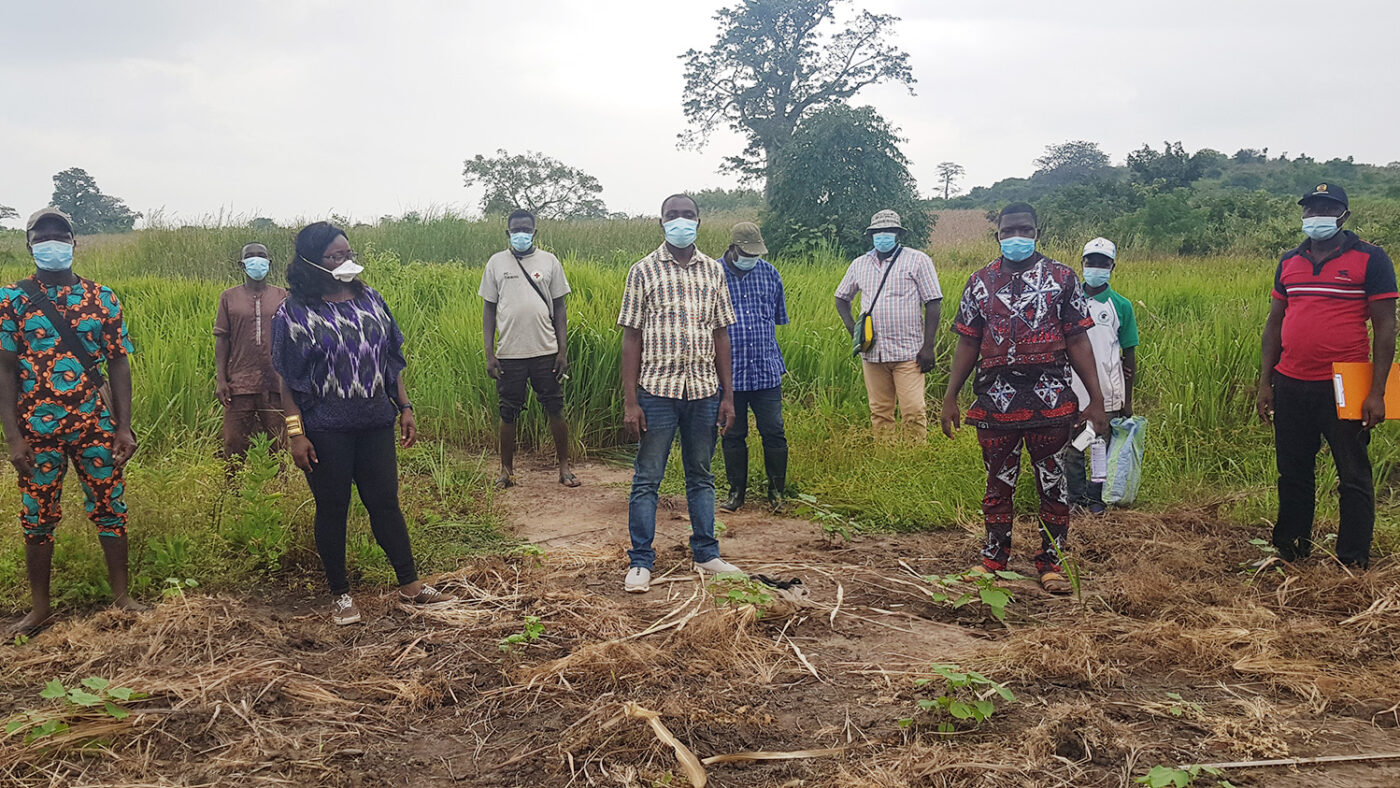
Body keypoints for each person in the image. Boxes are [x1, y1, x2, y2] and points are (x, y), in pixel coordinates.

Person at [272, 222, 455, 625]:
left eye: (347, 253)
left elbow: (390, 358)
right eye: (334, 257)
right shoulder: (295, 312)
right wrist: (295, 433)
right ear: (310, 262)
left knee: (385, 502)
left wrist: (404, 406)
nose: (344, 262)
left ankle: (409, 584)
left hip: (374, 420)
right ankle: (340, 595)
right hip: (325, 427)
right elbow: (288, 379)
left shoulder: (370, 298)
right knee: (333, 508)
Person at [940, 203, 1109, 594]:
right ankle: (993, 559)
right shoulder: (979, 282)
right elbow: (968, 341)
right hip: (995, 404)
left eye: (1025, 229)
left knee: (1054, 486)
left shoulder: (1062, 278)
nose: (1017, 236)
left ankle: (1051, 564)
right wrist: (951, 396)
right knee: (997, 486)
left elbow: (1079, 340)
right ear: (997, 234)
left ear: (1037, 232)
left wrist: (1095, 400)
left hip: (1051, 403)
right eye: (1009, 230)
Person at [1, 207, 145, 635]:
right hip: (36, 431)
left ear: (73, 243)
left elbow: (119, 365)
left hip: (95, 425)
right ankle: (40, 609)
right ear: (29, 245)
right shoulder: (12, 299)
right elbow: (5, 369)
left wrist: (123, 425)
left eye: (59, 236)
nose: (51, 243)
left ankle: (122, 598)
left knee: (110, 507)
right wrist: (12, 437)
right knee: (37, 515)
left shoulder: (102, 298)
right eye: (42, 237)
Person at [1257, 183, 1396, 570]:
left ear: (1343, 216)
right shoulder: (1289, 261)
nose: (1316, 215)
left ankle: (1352, 560)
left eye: (1326, 207)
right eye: (1310, 208)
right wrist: (1266, 382)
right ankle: (1291, 549)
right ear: (1303, 215)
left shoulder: (1372, 259)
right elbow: (1274, 324)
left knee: (1352, 474)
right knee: (1294, 471)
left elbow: (1386, 328)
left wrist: (1377, 392)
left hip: (1346, 383)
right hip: (1291, 381)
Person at [617, 194, 742, 593]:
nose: (680, 222)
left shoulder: (713, 272)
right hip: (657, 391)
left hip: (704, 391)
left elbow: (721, 334)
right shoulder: (643, 272)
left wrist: (728, 395)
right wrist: (631, 401)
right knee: (647, 477)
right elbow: (631, 338)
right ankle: (640, 561)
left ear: (699, 222)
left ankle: (706, 553)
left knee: (701, 476)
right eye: (673, 216)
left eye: (687, 216)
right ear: (661, 223)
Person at [479, 210, 577, 489]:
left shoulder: (549, 262)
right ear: (507, 233)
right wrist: (489, 353)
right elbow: (489, 309)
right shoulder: (496, 263)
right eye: (515, 230)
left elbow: (559, 307)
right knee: (508, 411)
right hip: (509, 352)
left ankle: (564, 467)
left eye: (526, 229)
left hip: (545, 349)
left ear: (535, 232)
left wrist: (562, 350)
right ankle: (506, 471)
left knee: (555, 407)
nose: (521, 234)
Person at [835, 210, 943, 439]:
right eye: (878, 232)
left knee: (913, 411)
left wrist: (928, 346)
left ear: (897, 234)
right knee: (880, 412)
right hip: (872, 352)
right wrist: (853, 328)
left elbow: (933, 302)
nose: (883, 236)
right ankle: (887, 458)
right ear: (871, 235)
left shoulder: (918, 260)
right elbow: (841, 297)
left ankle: (914, 460)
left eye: (888, 231)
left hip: (909, 353)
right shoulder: (859, 264)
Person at [717, 222, 789, 511]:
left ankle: (777, 493)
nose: (752, 257)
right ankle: (736, 494)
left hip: (765, 369)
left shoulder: (770, 274)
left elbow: (777, 318)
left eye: (756, 253)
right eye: (747, 252)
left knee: (774, 430)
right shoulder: (713, 274)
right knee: (732, 433)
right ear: (733, 248)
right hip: (728, 374)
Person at [1065, 237, 1139, 514]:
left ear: (1112, 266)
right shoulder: (1070, 302)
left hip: (1107, 394)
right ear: (1082, 264)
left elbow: (1129, 353)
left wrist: (1127, 400)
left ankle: (1096, 500)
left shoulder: (1121, 305)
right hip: (1073, 391)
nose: (1096, 267)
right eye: (1091, 262)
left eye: (1103, 263)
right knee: (1072, 449)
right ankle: (1075, 499)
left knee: (1099, 448)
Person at [215, 243, 288, 462]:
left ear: (269, 264)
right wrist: (221, 379)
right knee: (234, 442)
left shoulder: (282, 296)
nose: (257, 261)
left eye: (261, 256)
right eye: (251, 257)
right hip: (239, 382)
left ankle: (277, 491)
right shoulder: (229, 297)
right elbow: (222, 338)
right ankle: (233, 492)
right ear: (241, 264)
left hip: (275, 382)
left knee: (279, 442)